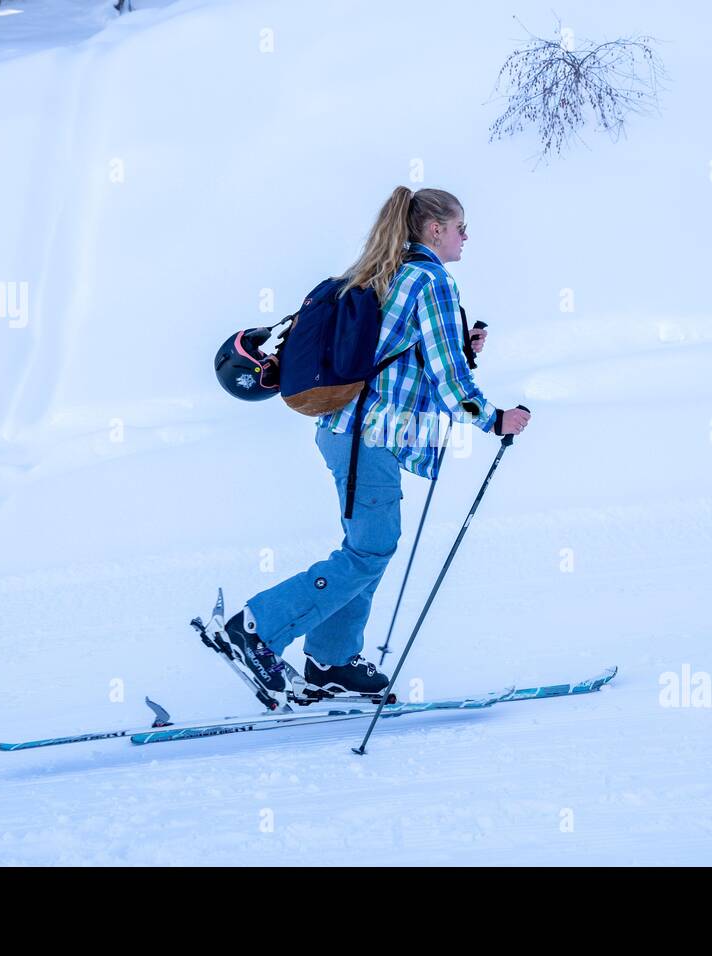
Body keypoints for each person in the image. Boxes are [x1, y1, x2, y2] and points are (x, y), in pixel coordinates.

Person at [223, 186, 531, 698]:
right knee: (369, 551)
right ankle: (255, 628)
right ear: (435, 230)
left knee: (368, 548)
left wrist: (460, 347)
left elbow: (405, 357)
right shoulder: (431, 280)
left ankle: (332, 661)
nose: (466, 237)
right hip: (369, 434)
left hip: (354, 431)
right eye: (460, 227)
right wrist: (494, 419)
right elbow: (449, 378)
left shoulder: (388, 272)